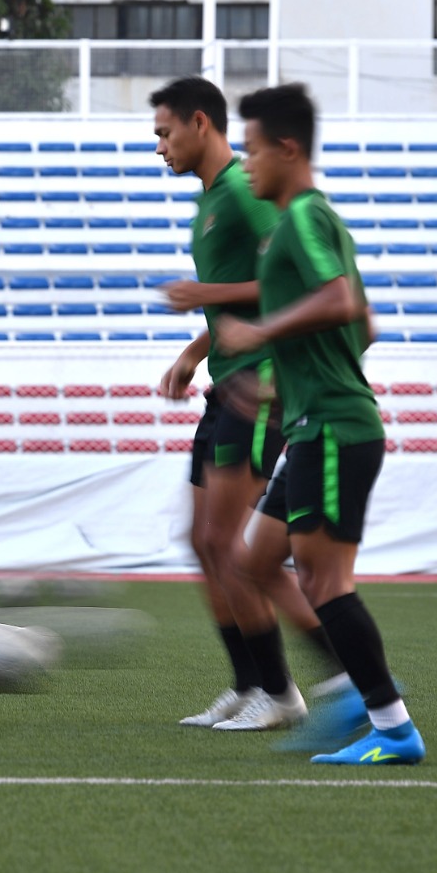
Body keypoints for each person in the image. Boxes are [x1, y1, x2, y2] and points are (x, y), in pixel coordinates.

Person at [214, 83, 425, 765]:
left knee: (326, 581)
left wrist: (260, 334)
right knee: (250, 559)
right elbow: (362, 323)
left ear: (288, 148)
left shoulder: (304, 217)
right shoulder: (297, 223)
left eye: (250, 150)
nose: (244, 164)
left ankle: (389, 724)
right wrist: (281, 385)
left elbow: (338, 302)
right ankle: (348, 692)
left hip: (333, 428)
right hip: (312, 422)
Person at [149, 76, 333, 732]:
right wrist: (195, 352)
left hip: (258, 390)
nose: (159, 147)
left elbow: (285, 284)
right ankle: (249, 681)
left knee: (229, 546)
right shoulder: (210, 199)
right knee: (202, 541)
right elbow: (240, 293)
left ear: (201, 123)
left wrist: (203, 294)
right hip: (223, 384)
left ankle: (287, 690)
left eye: (165, 133)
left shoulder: (242, 193)